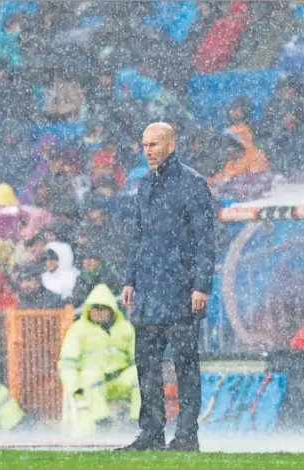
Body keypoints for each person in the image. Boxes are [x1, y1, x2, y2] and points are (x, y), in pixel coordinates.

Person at [120, 123, 215, 451]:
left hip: (180, 292)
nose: (148, 150)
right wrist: (129, 279)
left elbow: (205, 239)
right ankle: (151, 433)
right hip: (147, 293)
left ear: (171, 145)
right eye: (145, 144)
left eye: (155, 144)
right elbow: (138, 236)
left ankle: (187, 435)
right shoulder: (144, 186)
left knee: (185, 364)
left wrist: (201, 286)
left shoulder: (192, 183)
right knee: (145, 364)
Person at [59, 284, 140, 431]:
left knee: (139, 374)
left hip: (118, 382)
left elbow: (137, 358)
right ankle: (102, 420)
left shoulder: (126, 329)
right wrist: (74, 388)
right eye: (93, 308)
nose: (96, 312)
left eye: (101, 308)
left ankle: (136, 421)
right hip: (90, 384)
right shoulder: (78, 330)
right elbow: (68, 363)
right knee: (92, 375)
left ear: (111, 310)